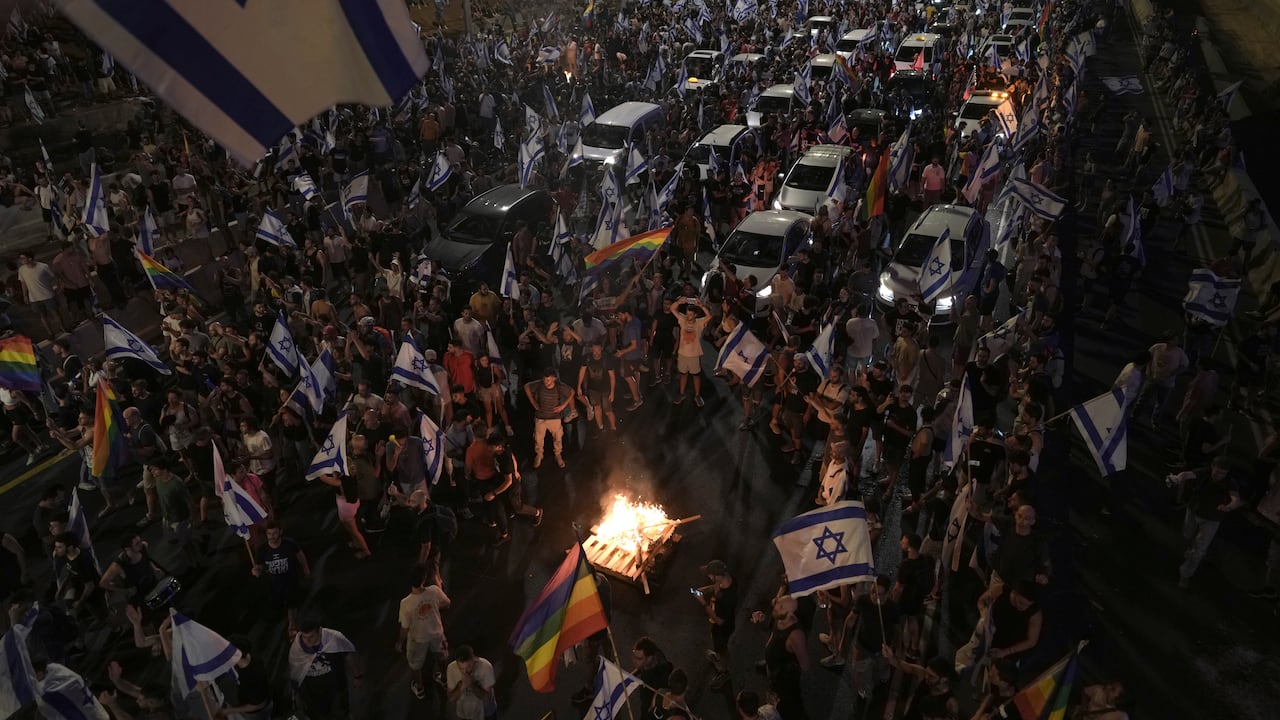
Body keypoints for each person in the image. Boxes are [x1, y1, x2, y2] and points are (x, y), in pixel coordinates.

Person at [1167, 456, 1244, 589]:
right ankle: (1190, 550)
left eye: (1222, 473)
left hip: (1212, 519)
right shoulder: (1204, 472)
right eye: (1217, 472)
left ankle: (1185, 574)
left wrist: (1228, 507)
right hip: (1194, 511)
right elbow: (1186, 474)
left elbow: (1236, 499)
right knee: (1187, 535)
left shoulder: (1230, 483)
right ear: (1212, 467)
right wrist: (1178, 478)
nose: (1219, 475)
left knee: (1200, 549)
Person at [396, 562, 451, 703]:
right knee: (442, 656)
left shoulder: (405, 603)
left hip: (417, 639)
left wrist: (400, 642)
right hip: (437, 633)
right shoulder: (434, 590)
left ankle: (419, 687)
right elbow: (447, 603)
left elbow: (404, 627)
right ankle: (444, 679)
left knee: (415, 664)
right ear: (424, 578)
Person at [288, 619, 362, 720]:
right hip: (312, 690)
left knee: (340, 712)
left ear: (319, 631)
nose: (308, 641)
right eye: (305, 637)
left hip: (336, 686)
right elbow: (295, 670)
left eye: (311, 636)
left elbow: (348, 655)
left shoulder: (334, 638)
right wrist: (295, 692)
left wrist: (357, 675)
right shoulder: (298, 646)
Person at [252, 521, 311, 635]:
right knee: (277, 603)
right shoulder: (262, 549)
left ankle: (292, 626)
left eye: (274, 533)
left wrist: (305, 568)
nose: (272, 537)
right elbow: (260, 566)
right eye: (269, 534)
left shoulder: (290, 544)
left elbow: (300, 555)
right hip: (274, 582)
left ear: (280, 532)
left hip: (290, 579)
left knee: (292, 603)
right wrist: (256, 571)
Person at [695, 559, 738, 690]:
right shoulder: (727, 579)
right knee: (718, 646)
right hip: (720, 625)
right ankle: (718, 656)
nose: (709, 577)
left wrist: (703, 602)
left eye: (710, 575)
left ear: (717, 576)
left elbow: (719, 620)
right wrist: (705, 590)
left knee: (722, 648)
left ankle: (724, 672)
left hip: (723, 628)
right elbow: (716, 587)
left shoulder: (727, 599)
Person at [523, 368, 573, 469]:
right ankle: (539, 455)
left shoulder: (559, 387)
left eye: (548, 380)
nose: (546, 382)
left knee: (558, 438)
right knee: (538, 438)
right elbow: (526, 387)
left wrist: (563, 406)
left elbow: (572, 392)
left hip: (555, 418)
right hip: (540, 418)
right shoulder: (539, 384)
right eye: (545, 379)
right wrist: (533, 402)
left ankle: (558, 455)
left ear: (554, 378)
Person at [672, 297, 711, 406]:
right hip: (682, 354)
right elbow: (672, 309)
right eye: (687, 313)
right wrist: (679, 301)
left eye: (690, 314)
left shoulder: (699, 323)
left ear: (695, 315)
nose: (688, 316)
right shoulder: (682, 319)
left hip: (694, 355)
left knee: (696, 375)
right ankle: (682, 393)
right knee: (683, 374)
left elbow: (709, 316)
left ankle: (697, 395)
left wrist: (701, 305)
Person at [446, 645, 498, 720]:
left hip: (487, 713)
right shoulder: (451, 668)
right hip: (465, 714)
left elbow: (487, 699)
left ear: (474, 659)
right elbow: (451, 699)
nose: (465, 672)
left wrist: (472, 685)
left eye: (469, 667)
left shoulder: (486, 667)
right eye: (461, 668)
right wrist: (462, 687)